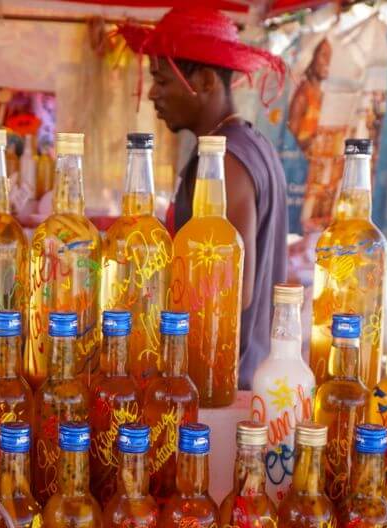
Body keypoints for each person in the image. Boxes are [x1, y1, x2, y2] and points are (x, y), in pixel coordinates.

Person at [121, 7, 289, 389]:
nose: (152, 94)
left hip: (221, 384)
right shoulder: (247, 145)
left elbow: (231, 292)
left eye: (161, 80)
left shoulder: (226, 160)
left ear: (207, 81)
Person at [287, 38, 331, 153]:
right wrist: (313, 141)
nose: (328, 61)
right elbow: (289, 143)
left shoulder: (321, 96)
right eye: (323, 55)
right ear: (311, 58)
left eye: (329, 56)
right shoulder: (302, 96)